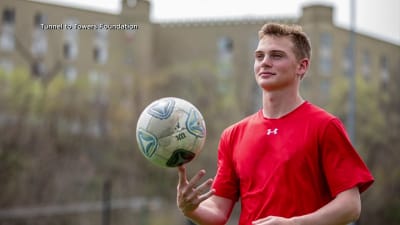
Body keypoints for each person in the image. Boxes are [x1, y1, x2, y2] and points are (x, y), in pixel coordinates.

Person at [176, 23, 374, 225]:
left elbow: (351, 205)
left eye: (276, 56)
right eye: (259, 56)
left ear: (302, 66)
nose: (265, 62)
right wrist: (191, 209)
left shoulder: (325, 126)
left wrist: (293, 224)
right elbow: (218, 211)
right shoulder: (233, 135)